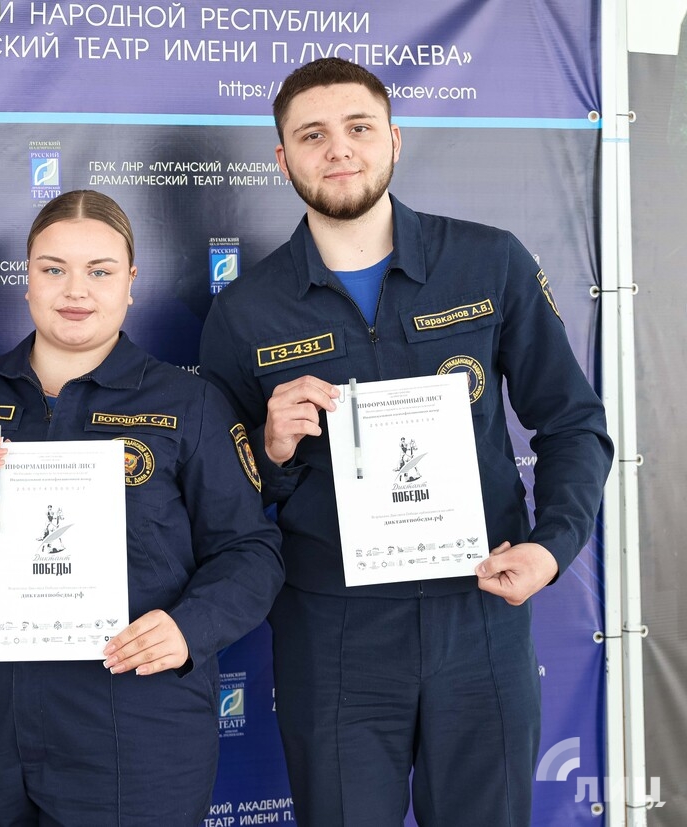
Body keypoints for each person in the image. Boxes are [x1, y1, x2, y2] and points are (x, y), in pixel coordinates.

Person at [198, 57, 614, 826]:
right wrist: (271, 449)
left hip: (479, 614)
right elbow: (216, 496)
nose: (339, 149)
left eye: (358, 127)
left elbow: (573, 424)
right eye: (312, 135)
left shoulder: (490, 261)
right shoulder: (245, 311)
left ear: (393, 139)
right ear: (283, 159)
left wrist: (551, 548)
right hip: (332, 635)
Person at [0, 189, 284, 825]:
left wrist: (188, 629)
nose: (75, 290)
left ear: (131, 283)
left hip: (135, 730)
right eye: (54, 268)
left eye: (100, 271)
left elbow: (251, 551)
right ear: (27, 279)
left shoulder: (189, 403)